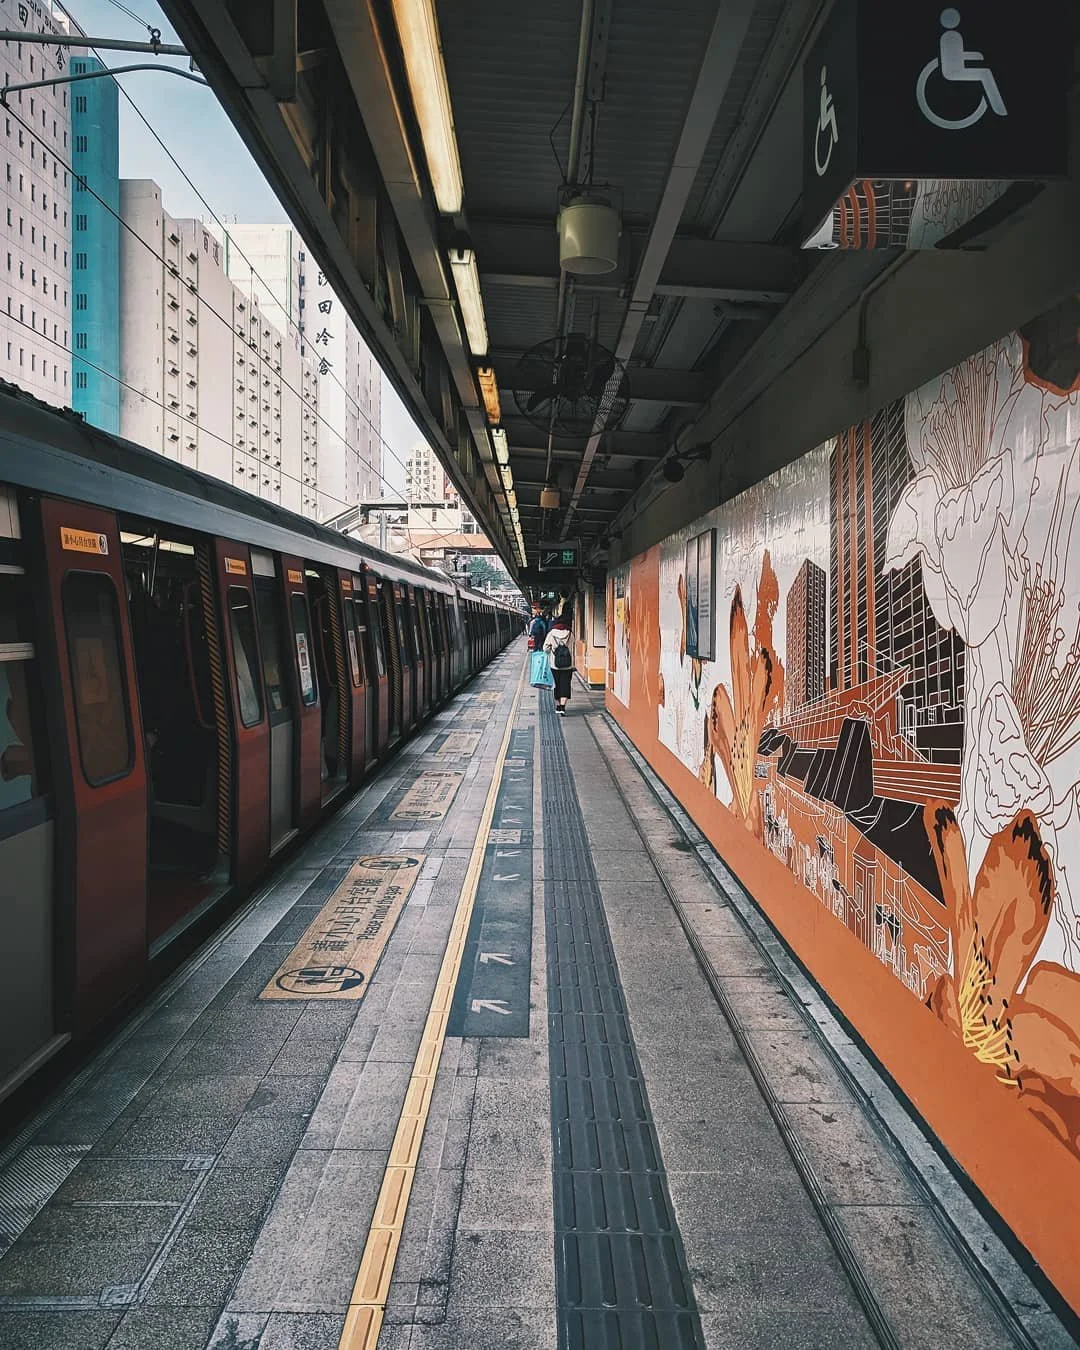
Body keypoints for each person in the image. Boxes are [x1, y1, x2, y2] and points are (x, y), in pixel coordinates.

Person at [543, 615, 573, 715]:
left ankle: (558, 706)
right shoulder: (570, 633)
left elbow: (545, 648)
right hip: (568, 665)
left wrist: (552, 649)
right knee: (565, 685)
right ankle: (563, 707)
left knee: (557, 685)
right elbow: (573, 647)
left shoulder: (551, 634)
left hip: (554, 665)